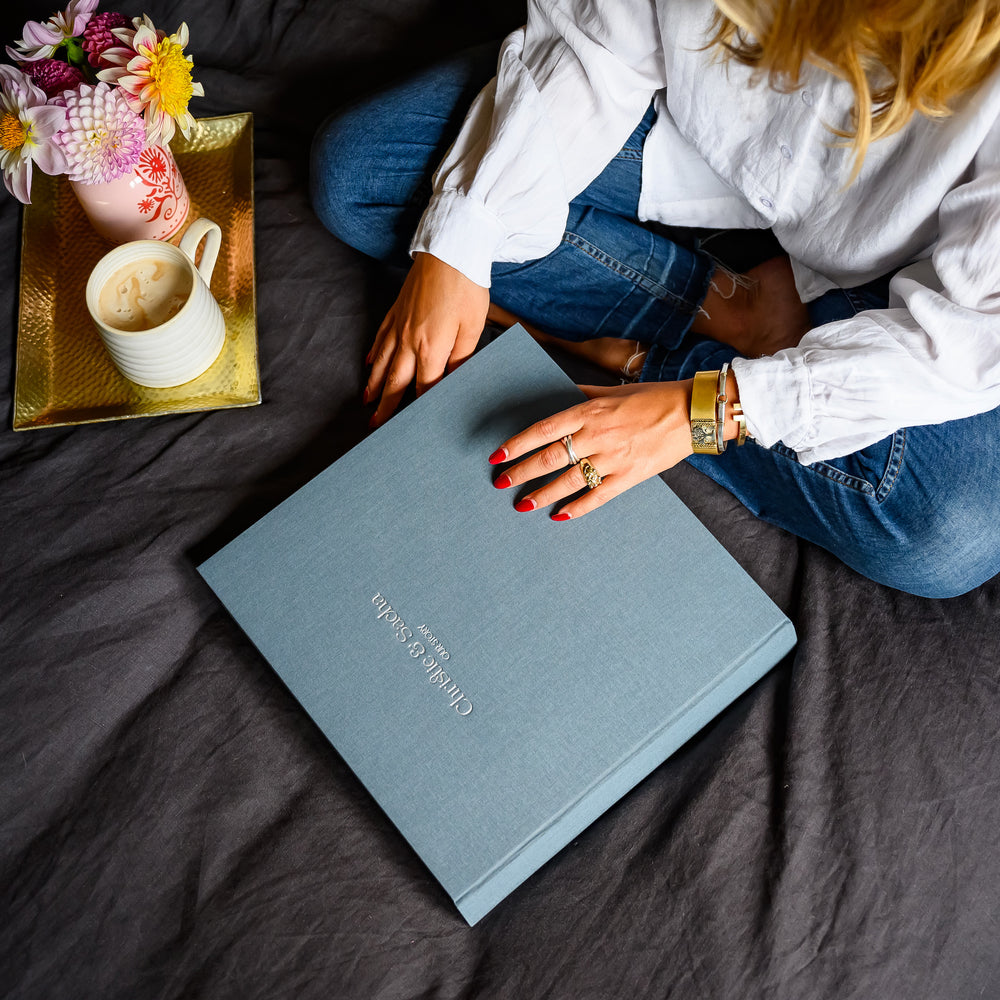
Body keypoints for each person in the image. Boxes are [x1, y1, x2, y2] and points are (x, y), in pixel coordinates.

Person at [311, 0, 1000, 599]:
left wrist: (698, 412)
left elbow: (969, 337)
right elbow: (597, 42)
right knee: (362, 176)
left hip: (930, 273)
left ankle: (644, 358)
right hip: (692, 138)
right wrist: (461, 239)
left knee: (950, 533)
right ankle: (729, 304)